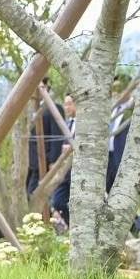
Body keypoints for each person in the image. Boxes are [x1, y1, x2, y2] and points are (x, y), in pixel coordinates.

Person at [25, 81, 67, 197]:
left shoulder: (54, 108)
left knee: (38, 195)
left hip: (45, 161)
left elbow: (57, 137)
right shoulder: (32, 109)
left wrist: (54, 161)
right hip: (32, 162)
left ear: (46, 87)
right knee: (29, 193)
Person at [50, 94, 77, 226]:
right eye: (65, 104)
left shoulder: (85, 125)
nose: (66, 107)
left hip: (78, 170)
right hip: (65, 172)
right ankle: (73, 226)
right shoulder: (67, 124)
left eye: (69, 104)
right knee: (58, 202)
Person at [107, 75, 135, 192]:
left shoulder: (135, 110)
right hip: (107, 158)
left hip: (123, 160)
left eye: (120, 89)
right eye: (114, 89)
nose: (116, 92)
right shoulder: (110, 109)